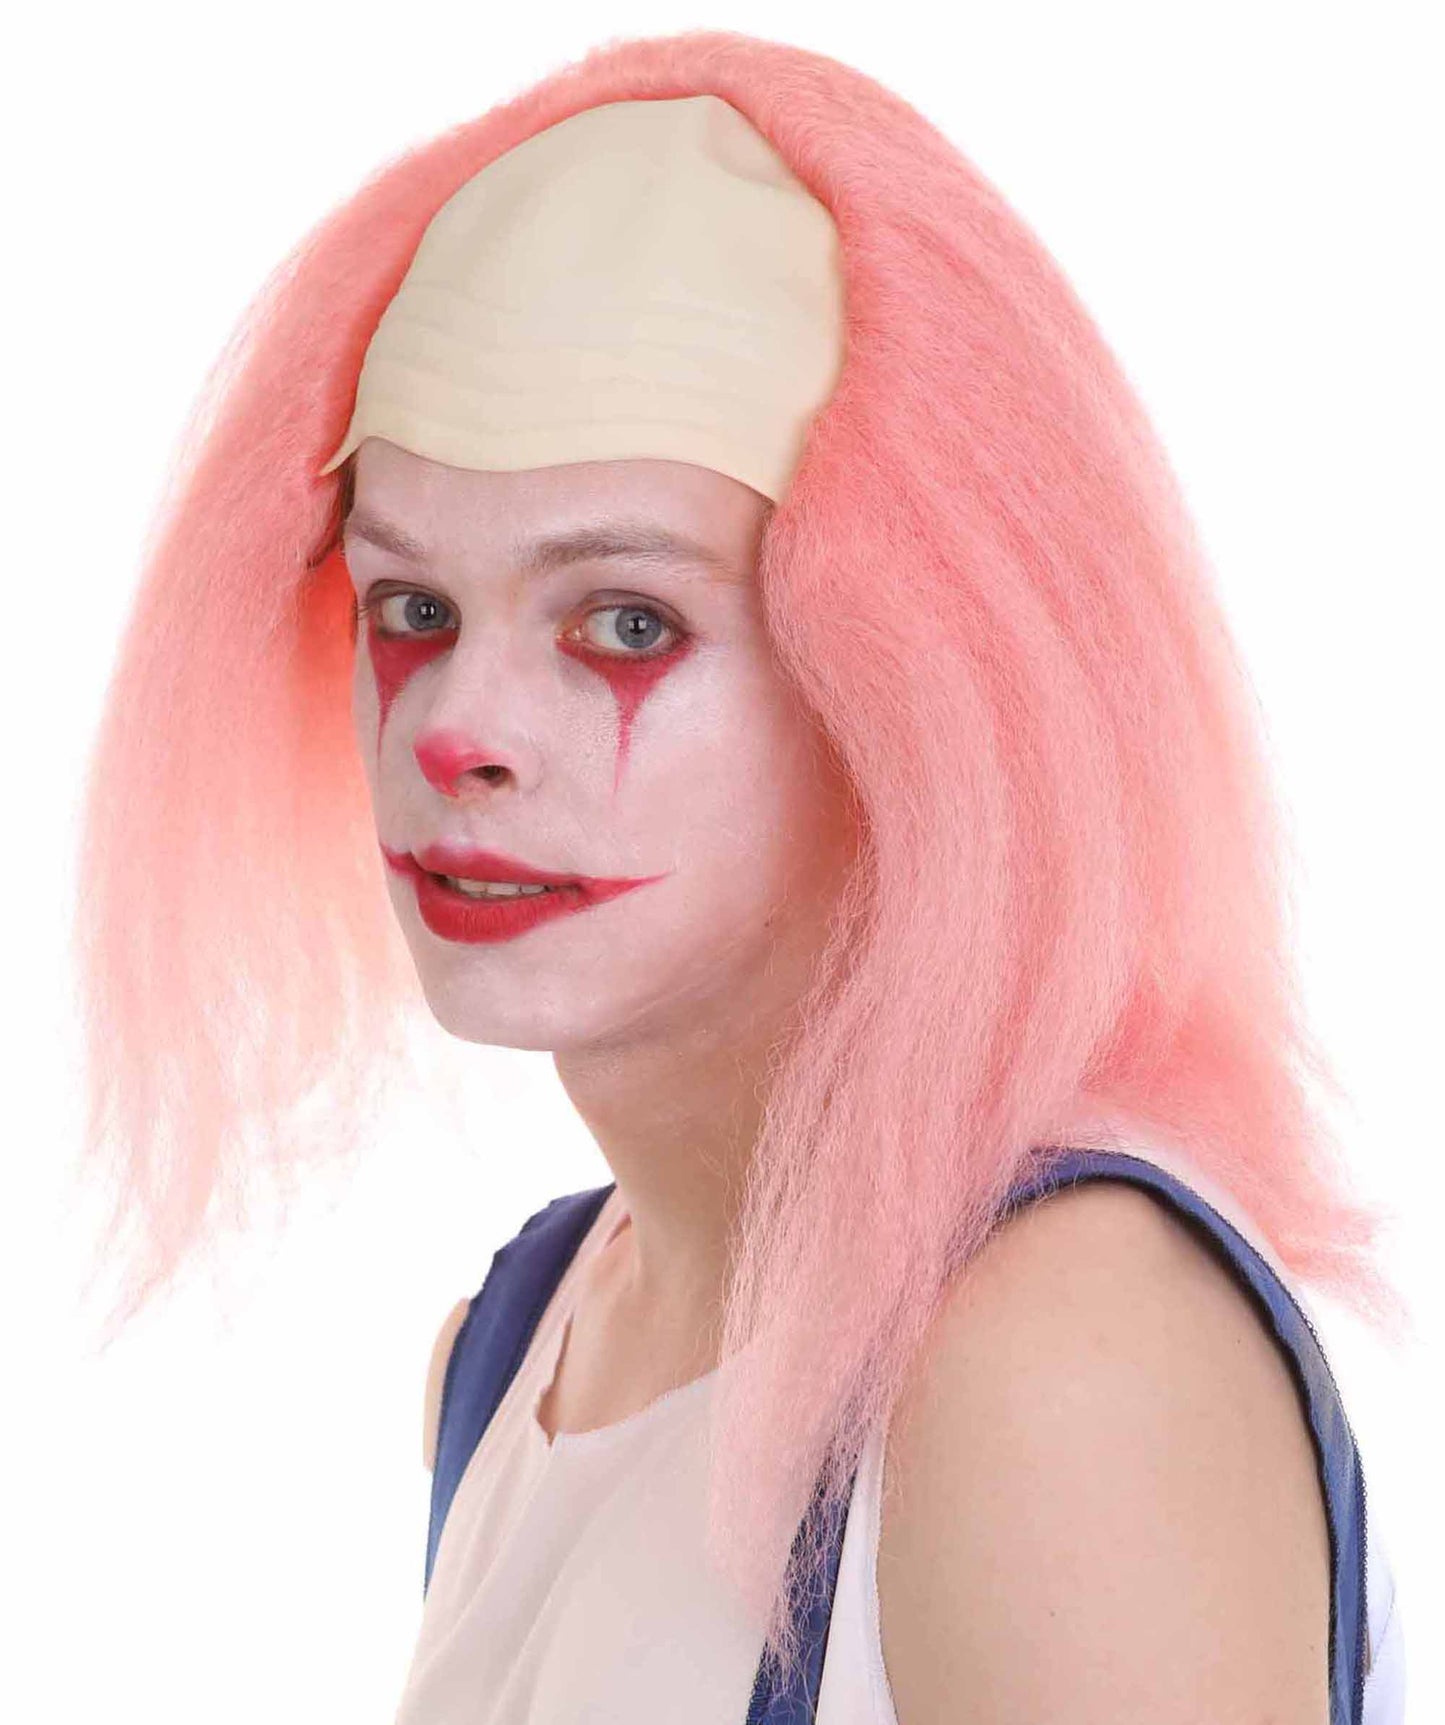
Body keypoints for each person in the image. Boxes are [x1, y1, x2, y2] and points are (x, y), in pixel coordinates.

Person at [71, 30, 1407, 1724]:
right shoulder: (516, 1344)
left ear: (915, 689)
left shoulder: (1054, 1345)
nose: (459, 729)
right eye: (412, 607)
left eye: (627, 621)